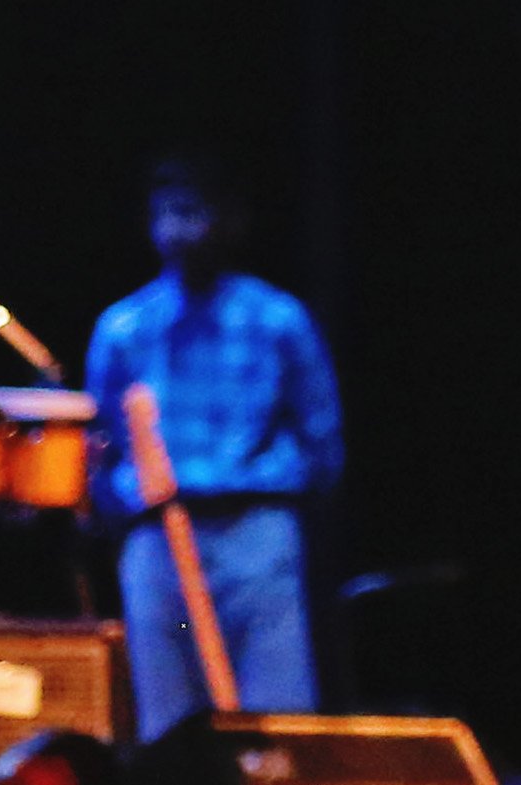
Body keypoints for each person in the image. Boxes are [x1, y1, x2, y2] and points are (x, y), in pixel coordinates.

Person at [76, 152, 337, 738]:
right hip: (158, 541)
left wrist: (268, 496)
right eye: (167, 213)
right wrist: (130, 503)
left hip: (255, 536)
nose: (180, 228)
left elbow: (321, 440)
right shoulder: (124, 329)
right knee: (171, 728)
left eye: (195, 212)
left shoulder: (278, 320)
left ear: (230, 221)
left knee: (278, 723)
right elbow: (101, 448)